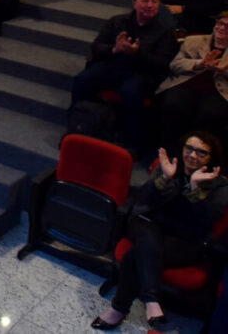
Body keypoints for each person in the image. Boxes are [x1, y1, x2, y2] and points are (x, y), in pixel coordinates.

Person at [90, 131, 228, 330]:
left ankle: (120, 308)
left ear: (211, 157)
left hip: (186, 240)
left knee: (133, 256)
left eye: (201, 152)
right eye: (189, 148)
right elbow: (144, 199)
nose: (192, 155)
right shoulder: (169, 166)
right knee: (147, 236)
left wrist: (195, 188)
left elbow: (208, 219)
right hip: (148, 223)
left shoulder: (221, 185)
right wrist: (164, 178)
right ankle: (151, 299)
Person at [70, 0, 178, 152]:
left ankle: (134, 143)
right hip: (114, 65)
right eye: (145, 1)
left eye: (154, 2)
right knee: (82, 80)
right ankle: (78, 126)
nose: (150, 5)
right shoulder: (117, 21)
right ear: (134, 3)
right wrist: (115, 49)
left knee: (130, 91)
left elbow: (163, 63)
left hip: (143, 73)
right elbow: (97, 47)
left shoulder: (165, 31)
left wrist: (137, 53)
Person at [156, 14, 228, 154]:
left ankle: (199, 156)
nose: (222, 28)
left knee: (209, 114)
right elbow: (175, 65)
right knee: (174, 104)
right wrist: (199, 64)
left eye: (227, 26)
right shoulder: (193, 41)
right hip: (188, 83)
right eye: (220, 23)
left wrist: (223, 71)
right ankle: (168, 153)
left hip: (219, 91)